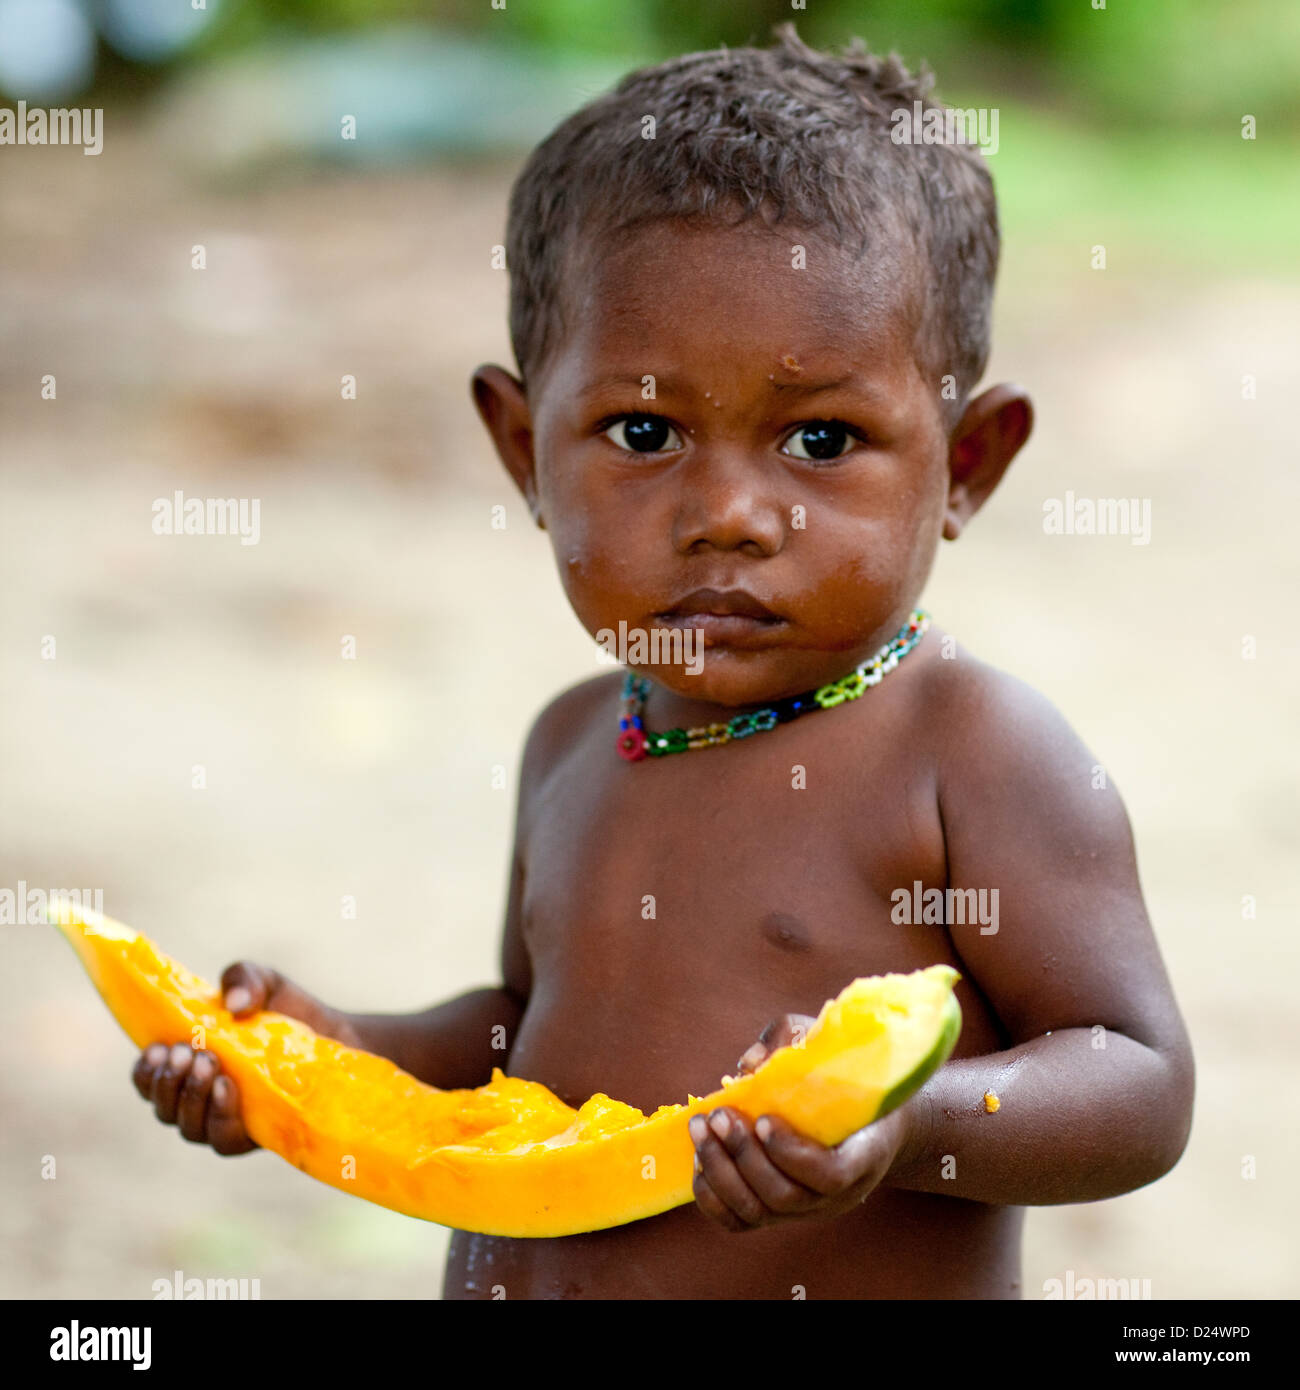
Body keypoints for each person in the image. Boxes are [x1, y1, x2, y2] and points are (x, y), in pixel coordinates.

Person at [131, 25, 1194, 1300]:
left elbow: (1136, 1077)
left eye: (820, 437)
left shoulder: (968, 751)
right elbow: (530, 1038)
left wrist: (910, 1124)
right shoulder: (576, 739)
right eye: (643, 429)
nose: (729, 513)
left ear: (965, 463)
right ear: (524, 448)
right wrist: (336, 1048)